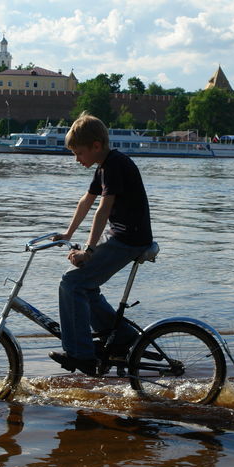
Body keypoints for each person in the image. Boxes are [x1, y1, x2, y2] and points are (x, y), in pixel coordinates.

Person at [49, 113, 153, 376]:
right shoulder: (103, 166)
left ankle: (81, 354)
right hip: (120, 235)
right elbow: (86, 201)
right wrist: (67, 233)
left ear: (96, 146)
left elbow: (103, 209)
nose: (76, 159)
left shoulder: (115, 165)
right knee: (85, 285)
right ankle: (122, 338)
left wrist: (89, 250)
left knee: (72, 283)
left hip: (129, 239)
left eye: (79, 153)